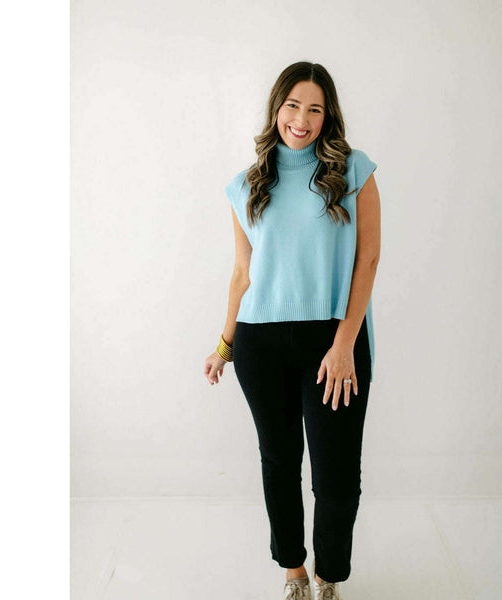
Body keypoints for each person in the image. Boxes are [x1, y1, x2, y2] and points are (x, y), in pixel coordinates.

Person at [203, 61, 381, 600]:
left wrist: (345, 343)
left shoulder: (353, 170)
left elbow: (368, 259)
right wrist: (224, 344)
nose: (301, 120)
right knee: (279, 463)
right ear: (276, 108)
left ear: (328, 116)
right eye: (292, 106)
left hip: (333, 341)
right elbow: (242, 273)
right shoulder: (246, 185)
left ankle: (329, 576)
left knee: (336, 474)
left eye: (314, 109)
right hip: (260, 342)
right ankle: (294, 572)